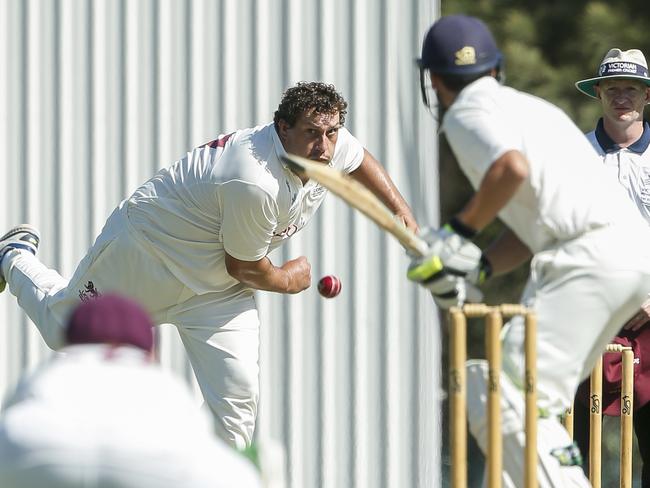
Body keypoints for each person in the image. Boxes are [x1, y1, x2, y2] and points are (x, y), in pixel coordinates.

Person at [0, 81, 417, 449]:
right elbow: (247, 268)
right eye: (311, 133)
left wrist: (400, 212)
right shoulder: (253, 179)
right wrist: (290, 279)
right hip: (148, 256)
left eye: (331, 133)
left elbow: (358, 158)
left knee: (236, 408)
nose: (324, 147)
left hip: (216, 292)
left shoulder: (327, 145)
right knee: (63, 331)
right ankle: (14, 255)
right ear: (282, 127)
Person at [407, 14, 650, 487]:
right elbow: (531, 220)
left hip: (586, 263)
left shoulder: (466, 114)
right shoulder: (535, 110)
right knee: (539, 402)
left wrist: (457, 234)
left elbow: (510, 169)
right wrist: (478, 265)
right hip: (622, 263)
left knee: (508, 394)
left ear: (433, 79)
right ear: (496, 70)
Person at [0, 293, 262, 488]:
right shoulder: (159, 382)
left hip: (36, 447)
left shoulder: (55, 371)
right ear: (148, 352)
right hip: (152, 459)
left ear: (71, 343)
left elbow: (15, 413)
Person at [572, 47, 650, 486]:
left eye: (633, 90)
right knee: (576, 446)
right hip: (591, 316)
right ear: (598, 93)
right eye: (614, 88)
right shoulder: (573, 156)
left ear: (647, 97)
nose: (623, 98)